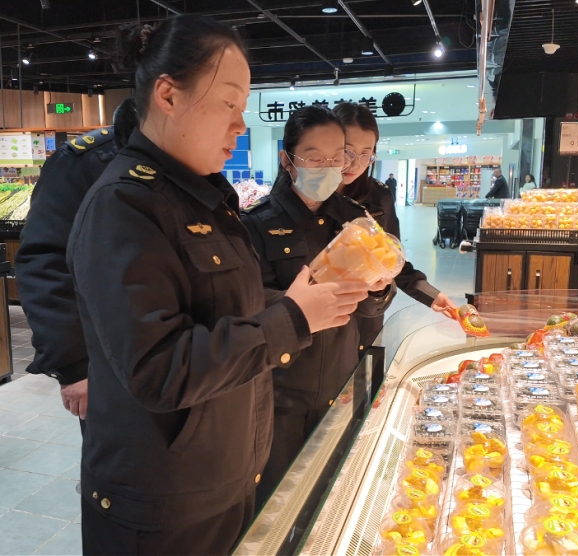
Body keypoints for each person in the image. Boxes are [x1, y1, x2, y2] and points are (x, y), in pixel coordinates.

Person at [66, 16, 368, 555]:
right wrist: (293, 318)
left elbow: (224, 307)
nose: (240, 124)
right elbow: (158, 368)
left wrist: (300, 299)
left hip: (223, 478)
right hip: (164, 506)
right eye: (229, 102)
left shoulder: (205, 200)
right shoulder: (125, 206)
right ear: (168, 95)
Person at [242, 105, 395, 508]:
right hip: (282, 395)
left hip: (342, 384)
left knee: (331, 498)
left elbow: (373, 307)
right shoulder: (254, 225)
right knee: (276, 505)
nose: (329, 168)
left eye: (337, 157)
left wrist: (377, 289)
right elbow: (246, 307)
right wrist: (298, 306)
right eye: (314, 158)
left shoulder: (356, 221)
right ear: (287, 160)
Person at [15, 99, 138, 427]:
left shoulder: (193, 164)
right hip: (108, 359)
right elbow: (45, 263)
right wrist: (72, 367)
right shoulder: (82, 162)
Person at [333, 102, 455, 347]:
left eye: (366, 154)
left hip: (365, 318)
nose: (356, 164)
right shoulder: (311, 197)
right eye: (347, 151)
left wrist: (430, 295)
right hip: (320, 321)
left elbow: (392, 261)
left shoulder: (379, 197)